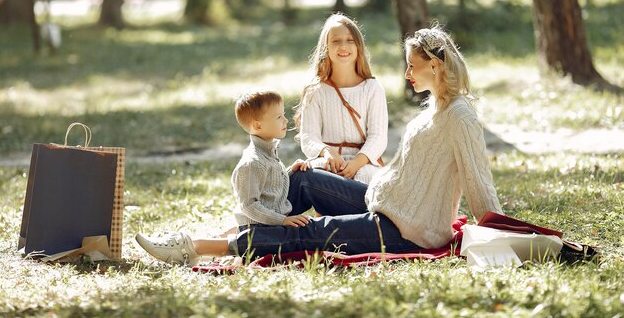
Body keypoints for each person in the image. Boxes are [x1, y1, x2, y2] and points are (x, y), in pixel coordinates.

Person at [135, 25, 503, 266]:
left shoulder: (460, 116)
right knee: (305, 178)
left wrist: (504, 237)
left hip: (409, 230)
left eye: (412, 66)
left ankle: (194, 248)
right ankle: (247, 227)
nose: (407, 74)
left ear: (435, 66)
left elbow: (479, 181)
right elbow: (404, 170)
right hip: (385, 200)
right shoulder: (432, 109)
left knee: (312, 231)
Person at [135, 90, 311, 266]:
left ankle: (206, 245)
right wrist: (282, 220)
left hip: (267, 225)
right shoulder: (252, 163)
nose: (286, 120)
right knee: (267, 242)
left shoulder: (268, 153)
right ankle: (184, 247)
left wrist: (289, 173)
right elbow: (249, 206)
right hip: (257, 229)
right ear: (257, 126)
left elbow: (269, 188)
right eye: (279, 117)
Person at [294, 13, 388, 184]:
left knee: (365, 177)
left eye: (350, 40)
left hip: (364, 163)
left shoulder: (373, 89)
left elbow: (378, 137)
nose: (343, 46)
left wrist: (356, 163)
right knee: (303, 174)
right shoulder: (315, 91)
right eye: (336, 41)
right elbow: (309, 136)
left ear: (359, 46)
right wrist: (327, 152)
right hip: (328, 161)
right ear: (326, 47)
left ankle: (339, 208)